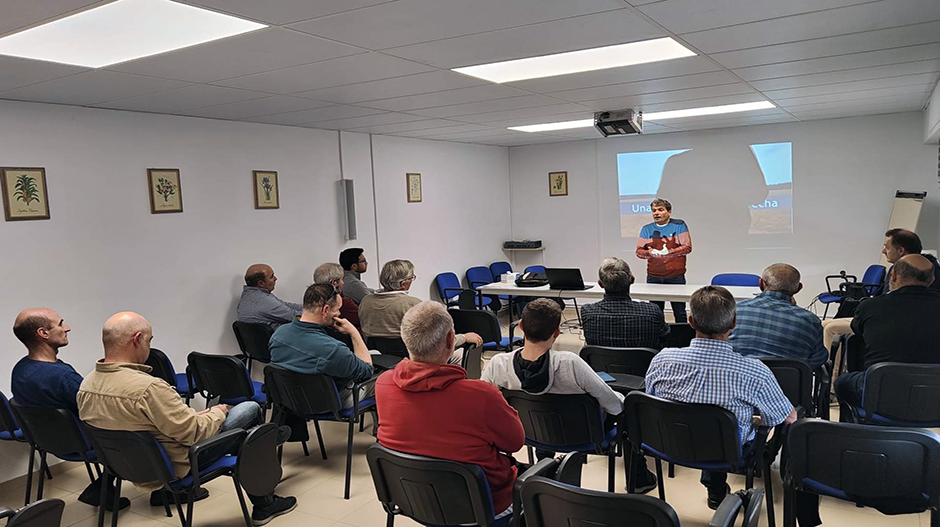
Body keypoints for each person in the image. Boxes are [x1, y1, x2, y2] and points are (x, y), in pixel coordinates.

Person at [77, 312, 296, 524]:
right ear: (138, 339)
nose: (149, 347)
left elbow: (138, 426)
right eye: (149, 341)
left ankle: (263, 443)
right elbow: (194, 433)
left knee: (246, 431)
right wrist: (217, 411)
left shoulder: (86, 386)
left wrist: (190, 416)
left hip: (131, 466)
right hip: (180, 463)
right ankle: (264, 500)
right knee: (249, 412)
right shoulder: (148, 388)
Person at [645, 287, 812, 523]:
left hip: (667, 444)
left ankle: (715, 490)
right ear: (734, 323)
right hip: (728, 452)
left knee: (703, 421)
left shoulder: (662, 359)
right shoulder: (754, 371)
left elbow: (651, 399)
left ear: (690, 321)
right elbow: (789, 417)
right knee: (724, 428)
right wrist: (759, 420)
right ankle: (718, 488)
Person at [482, 298, 658, 493]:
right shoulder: (570, 363)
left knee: (540, 412)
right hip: (583, 437)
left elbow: (482, 405)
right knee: (626, 413)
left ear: (521, 326)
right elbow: (614, 405)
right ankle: (639, 480)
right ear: (557, 332)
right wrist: (623, 398)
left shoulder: (498, 365)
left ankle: (545, 466)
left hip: (529, 433)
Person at [376, 301, 525, 517]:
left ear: (405, 339)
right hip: (483, 505)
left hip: (412, 499)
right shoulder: (481, 395)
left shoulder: (383, 384)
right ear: (450, 340)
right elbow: (515, 442)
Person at [11, 308, 129, 511]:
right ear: (43, 333)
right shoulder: (63, 377)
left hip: (48, 442)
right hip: (85, 443)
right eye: (60, 323)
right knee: (140, 431)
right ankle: (168, 490)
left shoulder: (19, 370)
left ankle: (101, 488)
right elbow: (100, 410)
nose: (67, 328)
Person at [834, 254, 940, 411]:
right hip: (932, 398)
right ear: (931, 281)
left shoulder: (870, 306)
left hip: (879, 392)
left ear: (894, 276)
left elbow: (858, 330)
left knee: (841, 383)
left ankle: (852, 429)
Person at [820, 229, 940, 353]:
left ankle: (824, 369)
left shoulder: (920, 271)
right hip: (887, 316)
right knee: (823, 325)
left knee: (830, 328)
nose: (883, 251)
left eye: (887, 247)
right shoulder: (918, 268)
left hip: (894, 322)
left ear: (900, 250)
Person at [269, 283, 374, 408]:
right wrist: (354, 333)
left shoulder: (278, 335)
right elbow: (367, 371)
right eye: (337, 309)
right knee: (382, 380)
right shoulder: (332, 349)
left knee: (373, 355)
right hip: (328, 402)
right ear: (325, 310)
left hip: (291, 399)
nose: (339, 313)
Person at [359, 259, 482, 362]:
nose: (412, 281)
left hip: (379, 358)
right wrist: (464, 337)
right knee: (461, 356)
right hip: (414, 360)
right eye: (412, 278)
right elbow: (437, 339)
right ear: (403, 283)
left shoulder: (365, 301)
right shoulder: (413, 305)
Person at [730, 264, 828, 368]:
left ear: (761, 284)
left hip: (735, 381)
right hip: (787, 383)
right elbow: (817, 360)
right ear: (798, 288)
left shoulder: (734, 310)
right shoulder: (810, 321)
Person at [581, 257, 670, 349]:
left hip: (600, 363)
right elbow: (666, 337)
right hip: (645, 363)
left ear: (600, 284)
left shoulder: (587, 312)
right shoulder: (652, 311)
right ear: (632, 280)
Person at [636, 198, 691, 323]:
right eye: (654, 210)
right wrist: (648, 253)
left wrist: (669, 253)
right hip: (653, 276)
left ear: (669, 212)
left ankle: (681, 341)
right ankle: (658, 340)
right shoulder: (646, 229)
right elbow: (639, 251)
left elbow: (687, 247)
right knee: (655, 313)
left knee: (680, 313)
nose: (656, 213)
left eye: (660, 210)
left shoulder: (679, 225)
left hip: (675, 276)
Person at [236, 264, 302, 329]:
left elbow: (285, 305)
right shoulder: (263, 300)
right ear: (261, 283)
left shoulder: (250, 295)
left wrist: (309, 307)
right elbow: (295, 316)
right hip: (283, 338)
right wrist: (311, 312)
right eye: (272, 276)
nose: (275, 279)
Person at [313, 262, 361, 332]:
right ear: (334, 282)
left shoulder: (311, 301)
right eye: (342, 279)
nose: (343, 283)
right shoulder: (343, 303)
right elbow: (364, 319)